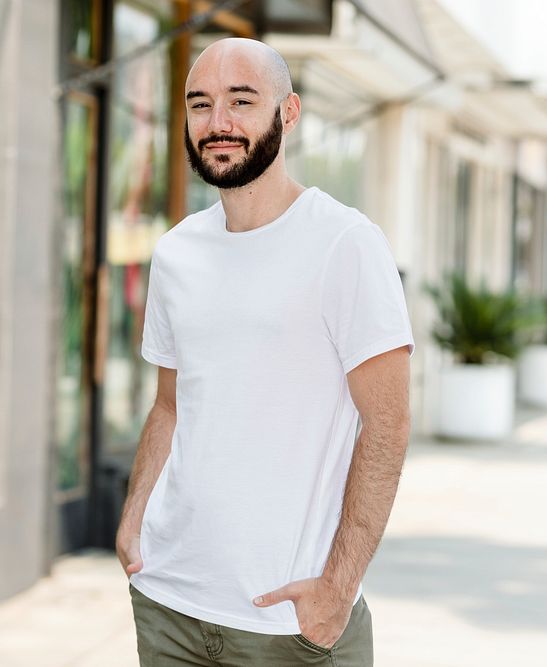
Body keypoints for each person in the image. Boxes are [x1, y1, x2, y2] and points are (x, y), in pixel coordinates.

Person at [116, 37, 414, 666]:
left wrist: (338, 589)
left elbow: (386, 427)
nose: (218, 123)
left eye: (241, 101)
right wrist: (136, 510)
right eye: (200, 104)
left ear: (289, 112)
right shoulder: (177, 253)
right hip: (170, 600)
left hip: (291, 621)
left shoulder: (345, 245)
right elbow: (170, 406)